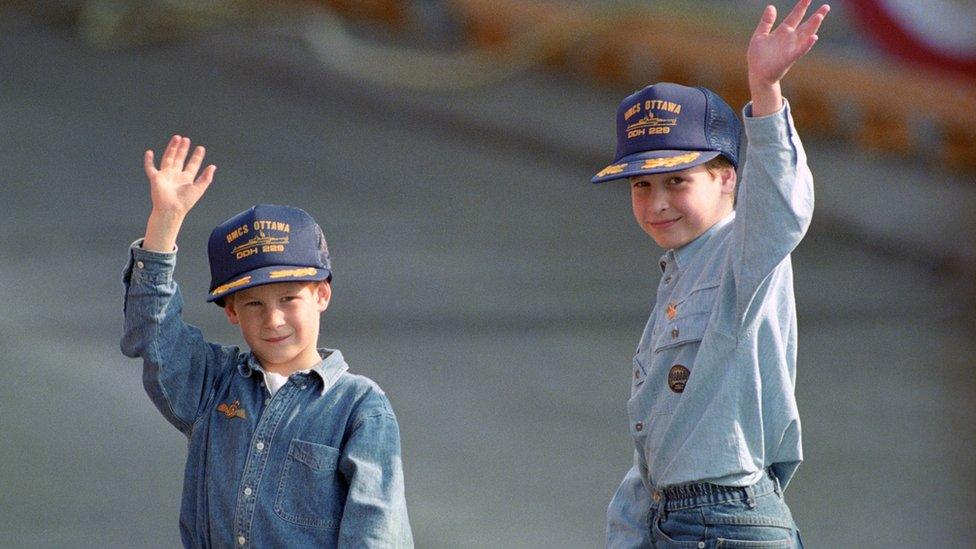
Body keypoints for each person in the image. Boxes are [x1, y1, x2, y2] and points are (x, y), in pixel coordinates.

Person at [592, 1, 830, 547]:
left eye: (677, 182)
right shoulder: (680, 272)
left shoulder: (745, 253)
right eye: (641, 186)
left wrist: (766, 92)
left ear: (727, 180)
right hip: (675, 516)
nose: (657, 203)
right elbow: (658, 446)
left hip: (725, 521)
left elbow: (783, 205)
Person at [120, 135, 413, 548]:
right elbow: (150, 333)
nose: (273, 319)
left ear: (322, 294)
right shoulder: (211, 387)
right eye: (254, 303)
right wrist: (164, 222)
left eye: (289, 298)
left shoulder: (358, 408)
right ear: (232, 311)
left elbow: (376, 533)